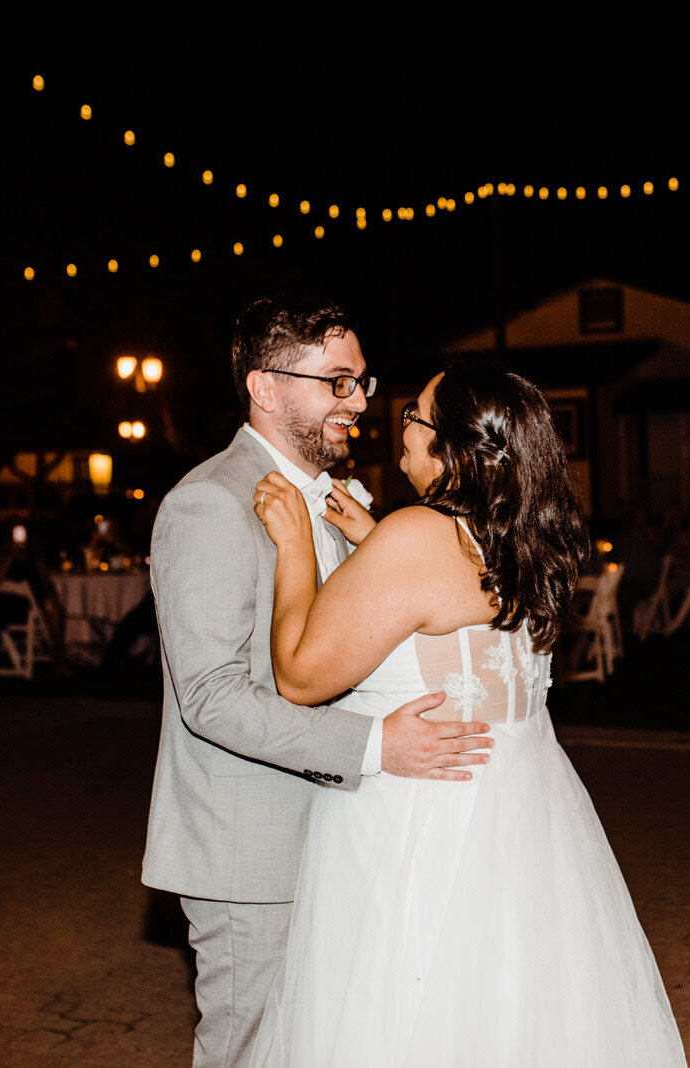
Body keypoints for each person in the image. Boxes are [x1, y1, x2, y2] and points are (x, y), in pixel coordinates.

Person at [248, 362, 686, 1065]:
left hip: (420, 826)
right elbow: (456, 614)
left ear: (455, 448)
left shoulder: (416, 536)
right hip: (524, 820)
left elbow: (299, 674)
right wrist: (376, 542)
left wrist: (296, 545)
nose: (403, 424)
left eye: (416, 416)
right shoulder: (525, 539)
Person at [141, 294, 495, 1068]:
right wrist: (377, 747)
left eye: (363, 382)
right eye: (337, 381)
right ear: (265, 388)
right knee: (249, 1050)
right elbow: (212, 698)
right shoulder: (208, 503)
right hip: (252, 849)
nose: (360, 401)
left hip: (347, 840)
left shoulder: (347, 502)